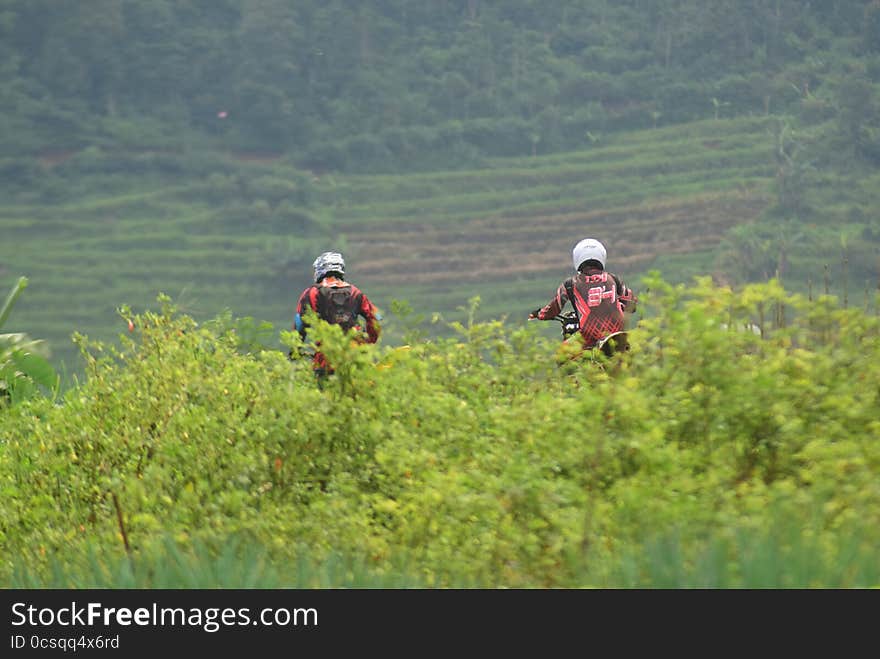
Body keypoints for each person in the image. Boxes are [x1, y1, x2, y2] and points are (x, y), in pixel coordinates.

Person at [529, 238, 637, 354]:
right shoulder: (614, 279)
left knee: (562, 354)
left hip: (589, 335)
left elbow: (553, 309)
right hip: (617, 333)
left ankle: (577, 372)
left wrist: (539, 314)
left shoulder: (570, 284)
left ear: (577, 258)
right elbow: (631, 303)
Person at [293, 251, 381, 377]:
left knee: (325, 394)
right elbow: (376, 317)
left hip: (327, 357)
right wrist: (369, 342)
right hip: (356, 355)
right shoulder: (356, 292)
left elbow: (300, 323)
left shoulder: (312, 293)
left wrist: (295, 350)